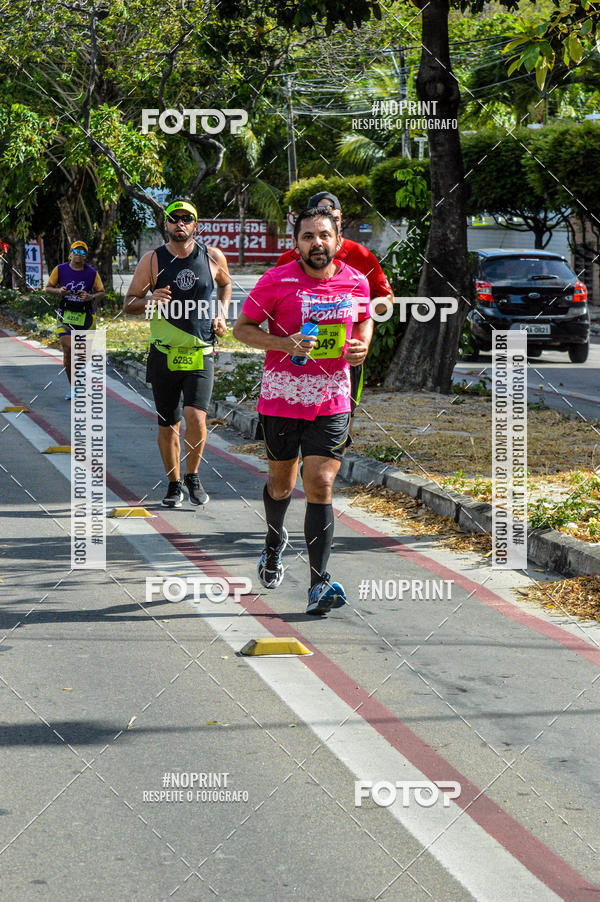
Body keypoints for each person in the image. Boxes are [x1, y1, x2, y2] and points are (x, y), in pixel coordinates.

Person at [233, 207, 372, 615]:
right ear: (296, 243)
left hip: (332, 398)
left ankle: (318, 585)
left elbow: (364, 320)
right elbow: (242, 329)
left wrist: (362, 345)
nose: (317, 243)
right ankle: (273, 545)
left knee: (320, 484)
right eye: (308, 236)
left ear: (337, 239)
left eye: (324, 235)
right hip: (282, 398)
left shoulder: (355, 281)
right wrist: (284, 343)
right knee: (281, 484)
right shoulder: (277, 280)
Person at [124, 199, 232, 508]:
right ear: (166, 225)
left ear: (195, 225)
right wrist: (150, 300)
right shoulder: (152, 260)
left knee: (196, 417)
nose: (180, 223)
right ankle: (173, 484)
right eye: (174, 219)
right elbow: (129, 303)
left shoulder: (212, 257)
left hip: (200, 352)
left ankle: (193, 476)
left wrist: (222, 313)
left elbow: (225, 286)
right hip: (164, 353)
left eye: (187, 219)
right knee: (168, 423)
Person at [276, 191, 393, 419]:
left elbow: (387, 299)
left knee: (342, 418)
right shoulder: (287, 259)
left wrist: (355, 314)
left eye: (335, 219)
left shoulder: (361, 254)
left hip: (344, 357)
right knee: (292, 422)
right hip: (296, 359)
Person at [45, 241, 105, 400]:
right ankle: (74, 388)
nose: (79, 254)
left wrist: (90, 296)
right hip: (66, 314)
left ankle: (80, 374)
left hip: (86, 316)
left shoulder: (92, 273)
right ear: (70, 253)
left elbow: (101, 292)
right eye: (76, 251)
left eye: (83, 252)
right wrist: (59, 291)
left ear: (86, 256)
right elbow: (48, 288)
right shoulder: (60, 269)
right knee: (68, 349)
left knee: (84, 355)